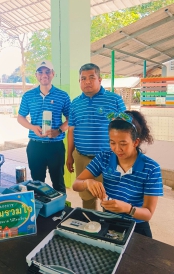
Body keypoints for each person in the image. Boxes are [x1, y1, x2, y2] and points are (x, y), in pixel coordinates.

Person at [72, 110, 163, 238]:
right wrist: (87, 182)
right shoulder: (104, 158)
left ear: (135, 142)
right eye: (112, 142)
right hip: (108, 221)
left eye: (123, 144)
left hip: (136, 226)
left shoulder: (151, 168)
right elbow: (76, 185)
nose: (117, 149)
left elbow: (148, 213)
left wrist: (128, 209)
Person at [66, 63, 126, 209]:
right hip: (81, 157)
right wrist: (69, 156)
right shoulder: (75, 103)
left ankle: (108, 228)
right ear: (79, 81)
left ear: (100, 79)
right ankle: (90, 227)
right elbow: (71, 130)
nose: (87, 81)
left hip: (108, 159)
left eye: (91, 77)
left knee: (109, 198)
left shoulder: (115, 100)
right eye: (83, 78)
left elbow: (126, 128)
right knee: (87, 197)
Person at [17, 60, 71, 193]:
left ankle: (61, 211)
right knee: (37, 183)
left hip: (55, 146)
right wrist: (32, 127)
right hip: (35, 146)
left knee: (58, 182)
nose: (44, 75)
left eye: (47, 72)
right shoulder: (28, 95)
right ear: (36, 75)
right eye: (40, 72)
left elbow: (71, 119)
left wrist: (59, 130)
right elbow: (20, 117)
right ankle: (41, 211)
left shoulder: (62, 95)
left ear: (53, 74)